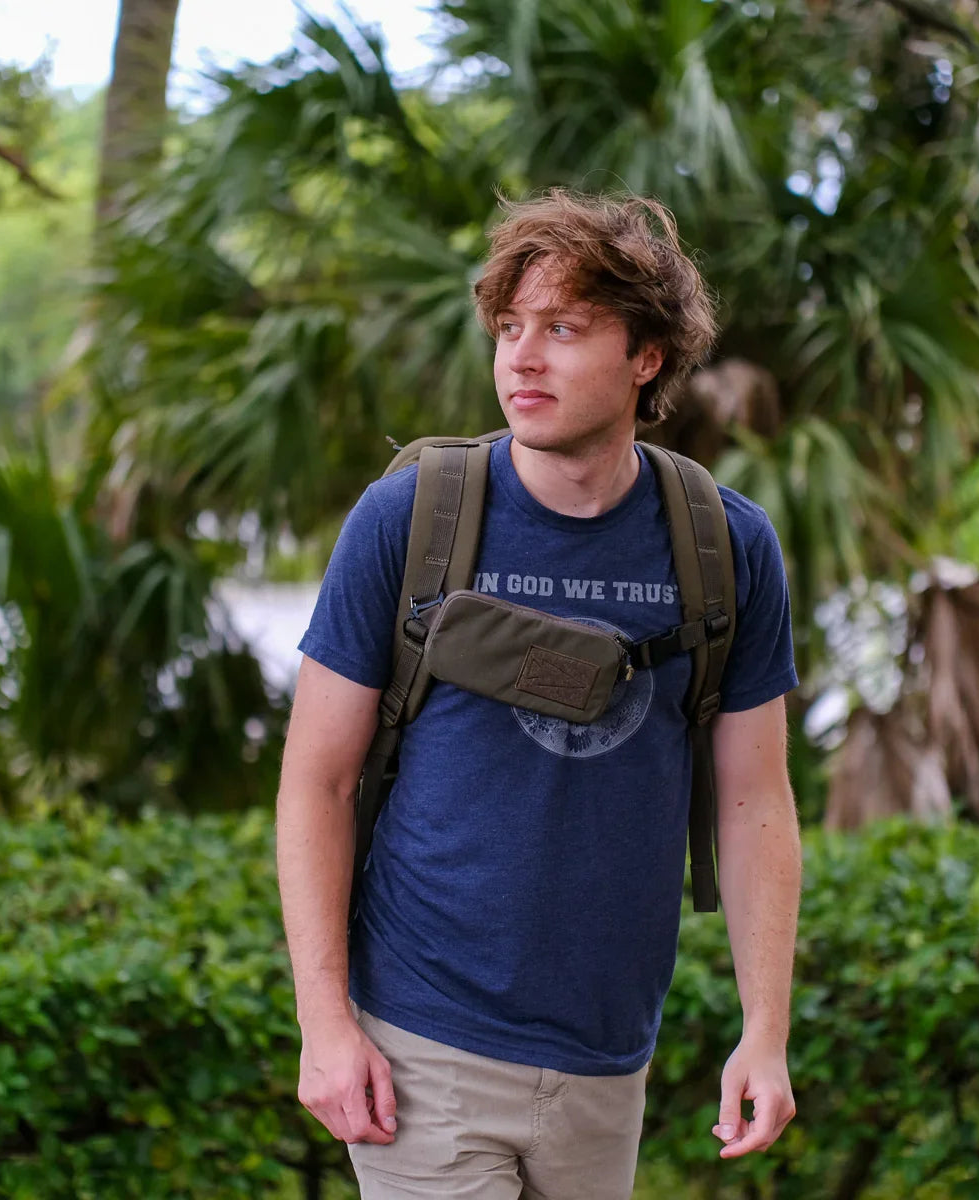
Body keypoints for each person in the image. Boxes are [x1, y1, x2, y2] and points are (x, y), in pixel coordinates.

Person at [277, 189, 801, 1200]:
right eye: (510, 328)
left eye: (563, 328)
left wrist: (765, 1034)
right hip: (423, 1044)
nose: (522, 357)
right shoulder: (412, 519)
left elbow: (753, 801)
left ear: (645, 356)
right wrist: (325, 1023)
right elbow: (318, 783)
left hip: (608, 1061)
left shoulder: (725, 546)